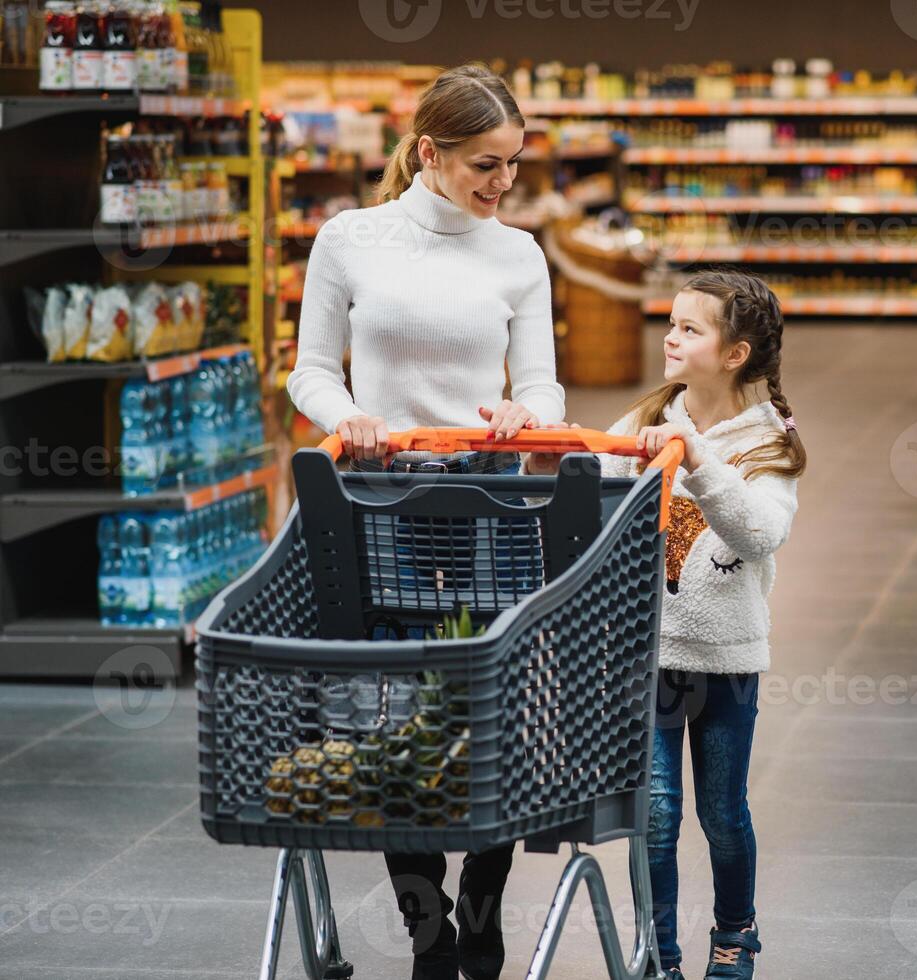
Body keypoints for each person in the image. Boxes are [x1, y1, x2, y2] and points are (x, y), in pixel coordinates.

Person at [285, 63, 564, 980]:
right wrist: (346, 417)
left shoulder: (518, 254)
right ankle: (427, 934)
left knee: (488, 710)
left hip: (488, 501)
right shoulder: (351, 237)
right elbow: (311, 371)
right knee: (395, 720)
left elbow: (544, 383)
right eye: (486, 164)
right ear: (430, 153)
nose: (502, 184)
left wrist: (530, 415)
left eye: (513, 166)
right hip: (381, 499)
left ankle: (479, 923)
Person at [526, 270, 805, 980]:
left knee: (722, 815)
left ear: (735, 353)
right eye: (671, 323)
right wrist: (547, 452)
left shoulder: (769, 445)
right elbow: (591, 486)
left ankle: (735, 934)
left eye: (690, 327)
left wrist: (695, 457)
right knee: (652, 818)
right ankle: (660, 954)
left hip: (726, 662)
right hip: (644, 655)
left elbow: (759, 533)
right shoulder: (649, 417)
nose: (670, 337)